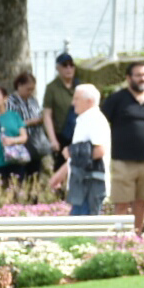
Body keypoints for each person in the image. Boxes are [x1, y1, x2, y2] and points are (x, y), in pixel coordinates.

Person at [101, 62, 144, 234]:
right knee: (121, 203)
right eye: (138, 75)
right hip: (122, 161)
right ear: (128, 78)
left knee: (142, 202)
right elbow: (102, 122)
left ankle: (137, 236)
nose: (143, 78)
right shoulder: (117, 99)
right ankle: (119, 238)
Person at [49, 84, 111, 215]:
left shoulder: (94, 119)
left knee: (83, 225)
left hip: (91, 185)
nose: (73, 103)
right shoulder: (85, 119)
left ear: (89, 101)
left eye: (76, 99)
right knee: (77, 224)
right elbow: (81, 156)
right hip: (81, 185)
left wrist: (72, 151)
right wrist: (61, 173)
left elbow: (99, 150)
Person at [7, 71, 50, 175]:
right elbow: (10, 124)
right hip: (19, 144)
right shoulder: (10, 102)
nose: (30, 92)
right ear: (19, 85)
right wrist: (29, 122)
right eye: (28, 89)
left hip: (35, 142)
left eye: (32, 89)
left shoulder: (33, 100)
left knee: (35, 172)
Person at [42, 52, 77, 171]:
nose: (69, 68)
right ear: (58, 68)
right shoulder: (52, 88)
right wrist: (53, 139)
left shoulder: (79, 85)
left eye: (71, 65)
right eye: (65, 65)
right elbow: (47, 114)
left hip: (79, 134)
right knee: (60, 168)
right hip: (62, 135)